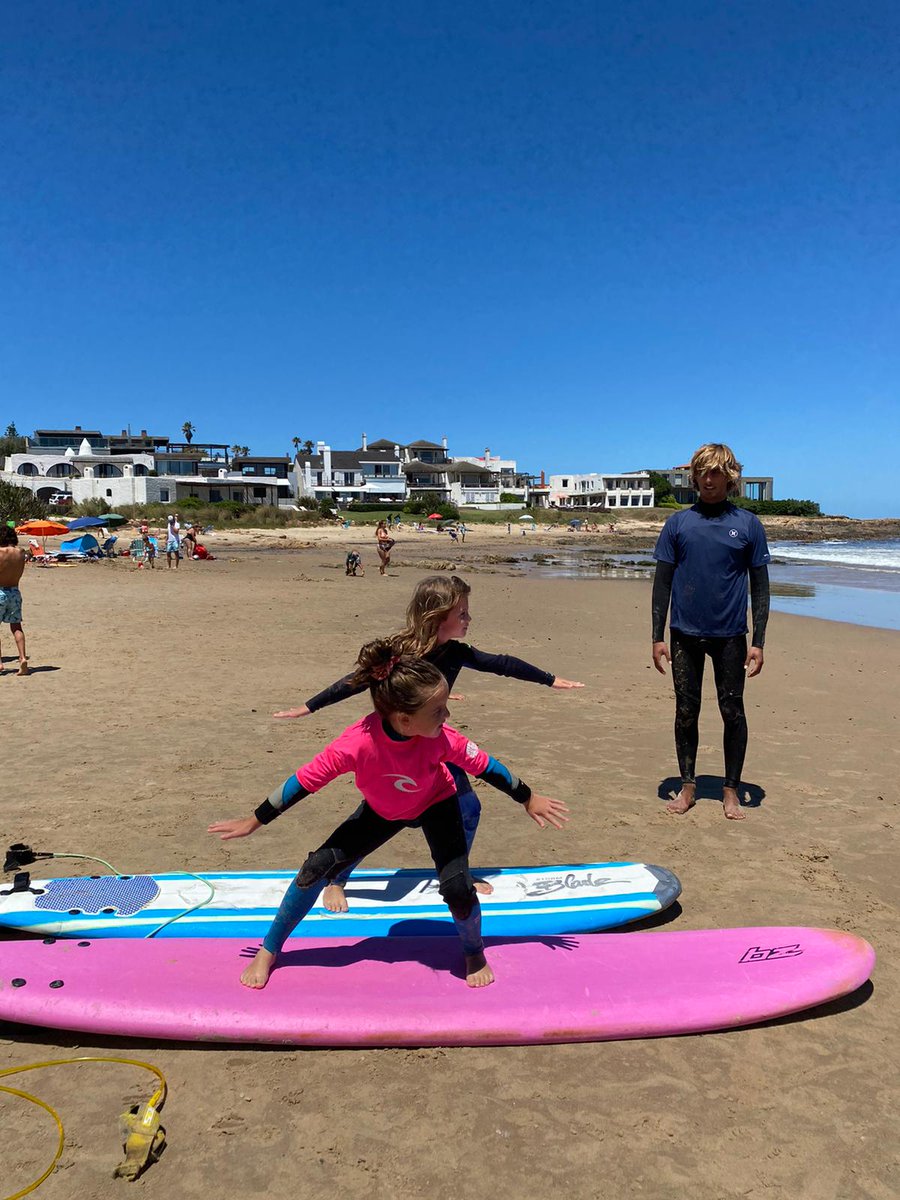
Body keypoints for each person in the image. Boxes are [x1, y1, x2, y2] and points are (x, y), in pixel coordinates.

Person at [210, 641, 570, 990]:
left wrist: (528, 797)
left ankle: (474, 951)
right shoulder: (356, 743)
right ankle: (269, 949)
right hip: (382, 811)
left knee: (457, 888)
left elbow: (486, 766)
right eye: (439, 710)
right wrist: (254, 820)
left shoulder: (441, 738)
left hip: (436, 803)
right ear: (404, 719)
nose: (447, 715)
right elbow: (302, 782)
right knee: (314, 870)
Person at [273, 574, 584, 911]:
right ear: (437, 617)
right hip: (395, 747)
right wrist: (309, 706)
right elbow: (354, 682)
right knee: (376, 816)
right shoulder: (398, 653)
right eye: (462, 613)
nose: (468, 619)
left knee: (469, 808)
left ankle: (455, 872)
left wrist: (549, 680)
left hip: (436, 740)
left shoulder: (455, 652)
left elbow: (502, 664)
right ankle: (337, 879)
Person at [651, 443, 770, 821]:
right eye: (702, 471)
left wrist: (759, 642)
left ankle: (730, 790)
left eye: (716, 472)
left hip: (731, 634)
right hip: (684, 633)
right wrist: (657, 637)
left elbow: (760, 587)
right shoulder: (678, 524)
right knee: (686, 711)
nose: (708, 478)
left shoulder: (749, 525)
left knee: (732, 711)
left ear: (730, 477)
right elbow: (662, 584)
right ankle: (688, 786)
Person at [0, 524, 29, 675]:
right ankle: (23, 658)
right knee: (16, 627)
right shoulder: (21, 553)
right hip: (15, 592)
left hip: (0, 592)